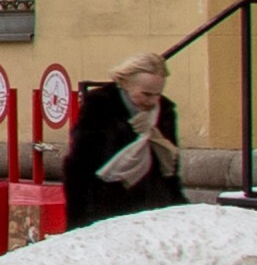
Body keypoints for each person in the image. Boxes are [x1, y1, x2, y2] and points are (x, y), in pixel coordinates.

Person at [64, 56, 189, 223]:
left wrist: (178, 207)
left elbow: (170, 169)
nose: (152, 101)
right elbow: (80, 162)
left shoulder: (165, 111)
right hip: (106, 204)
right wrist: (78, 219)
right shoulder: (100, 105)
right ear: (126, 84)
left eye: (157, 95)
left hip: (153, 204)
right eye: (145, 94)